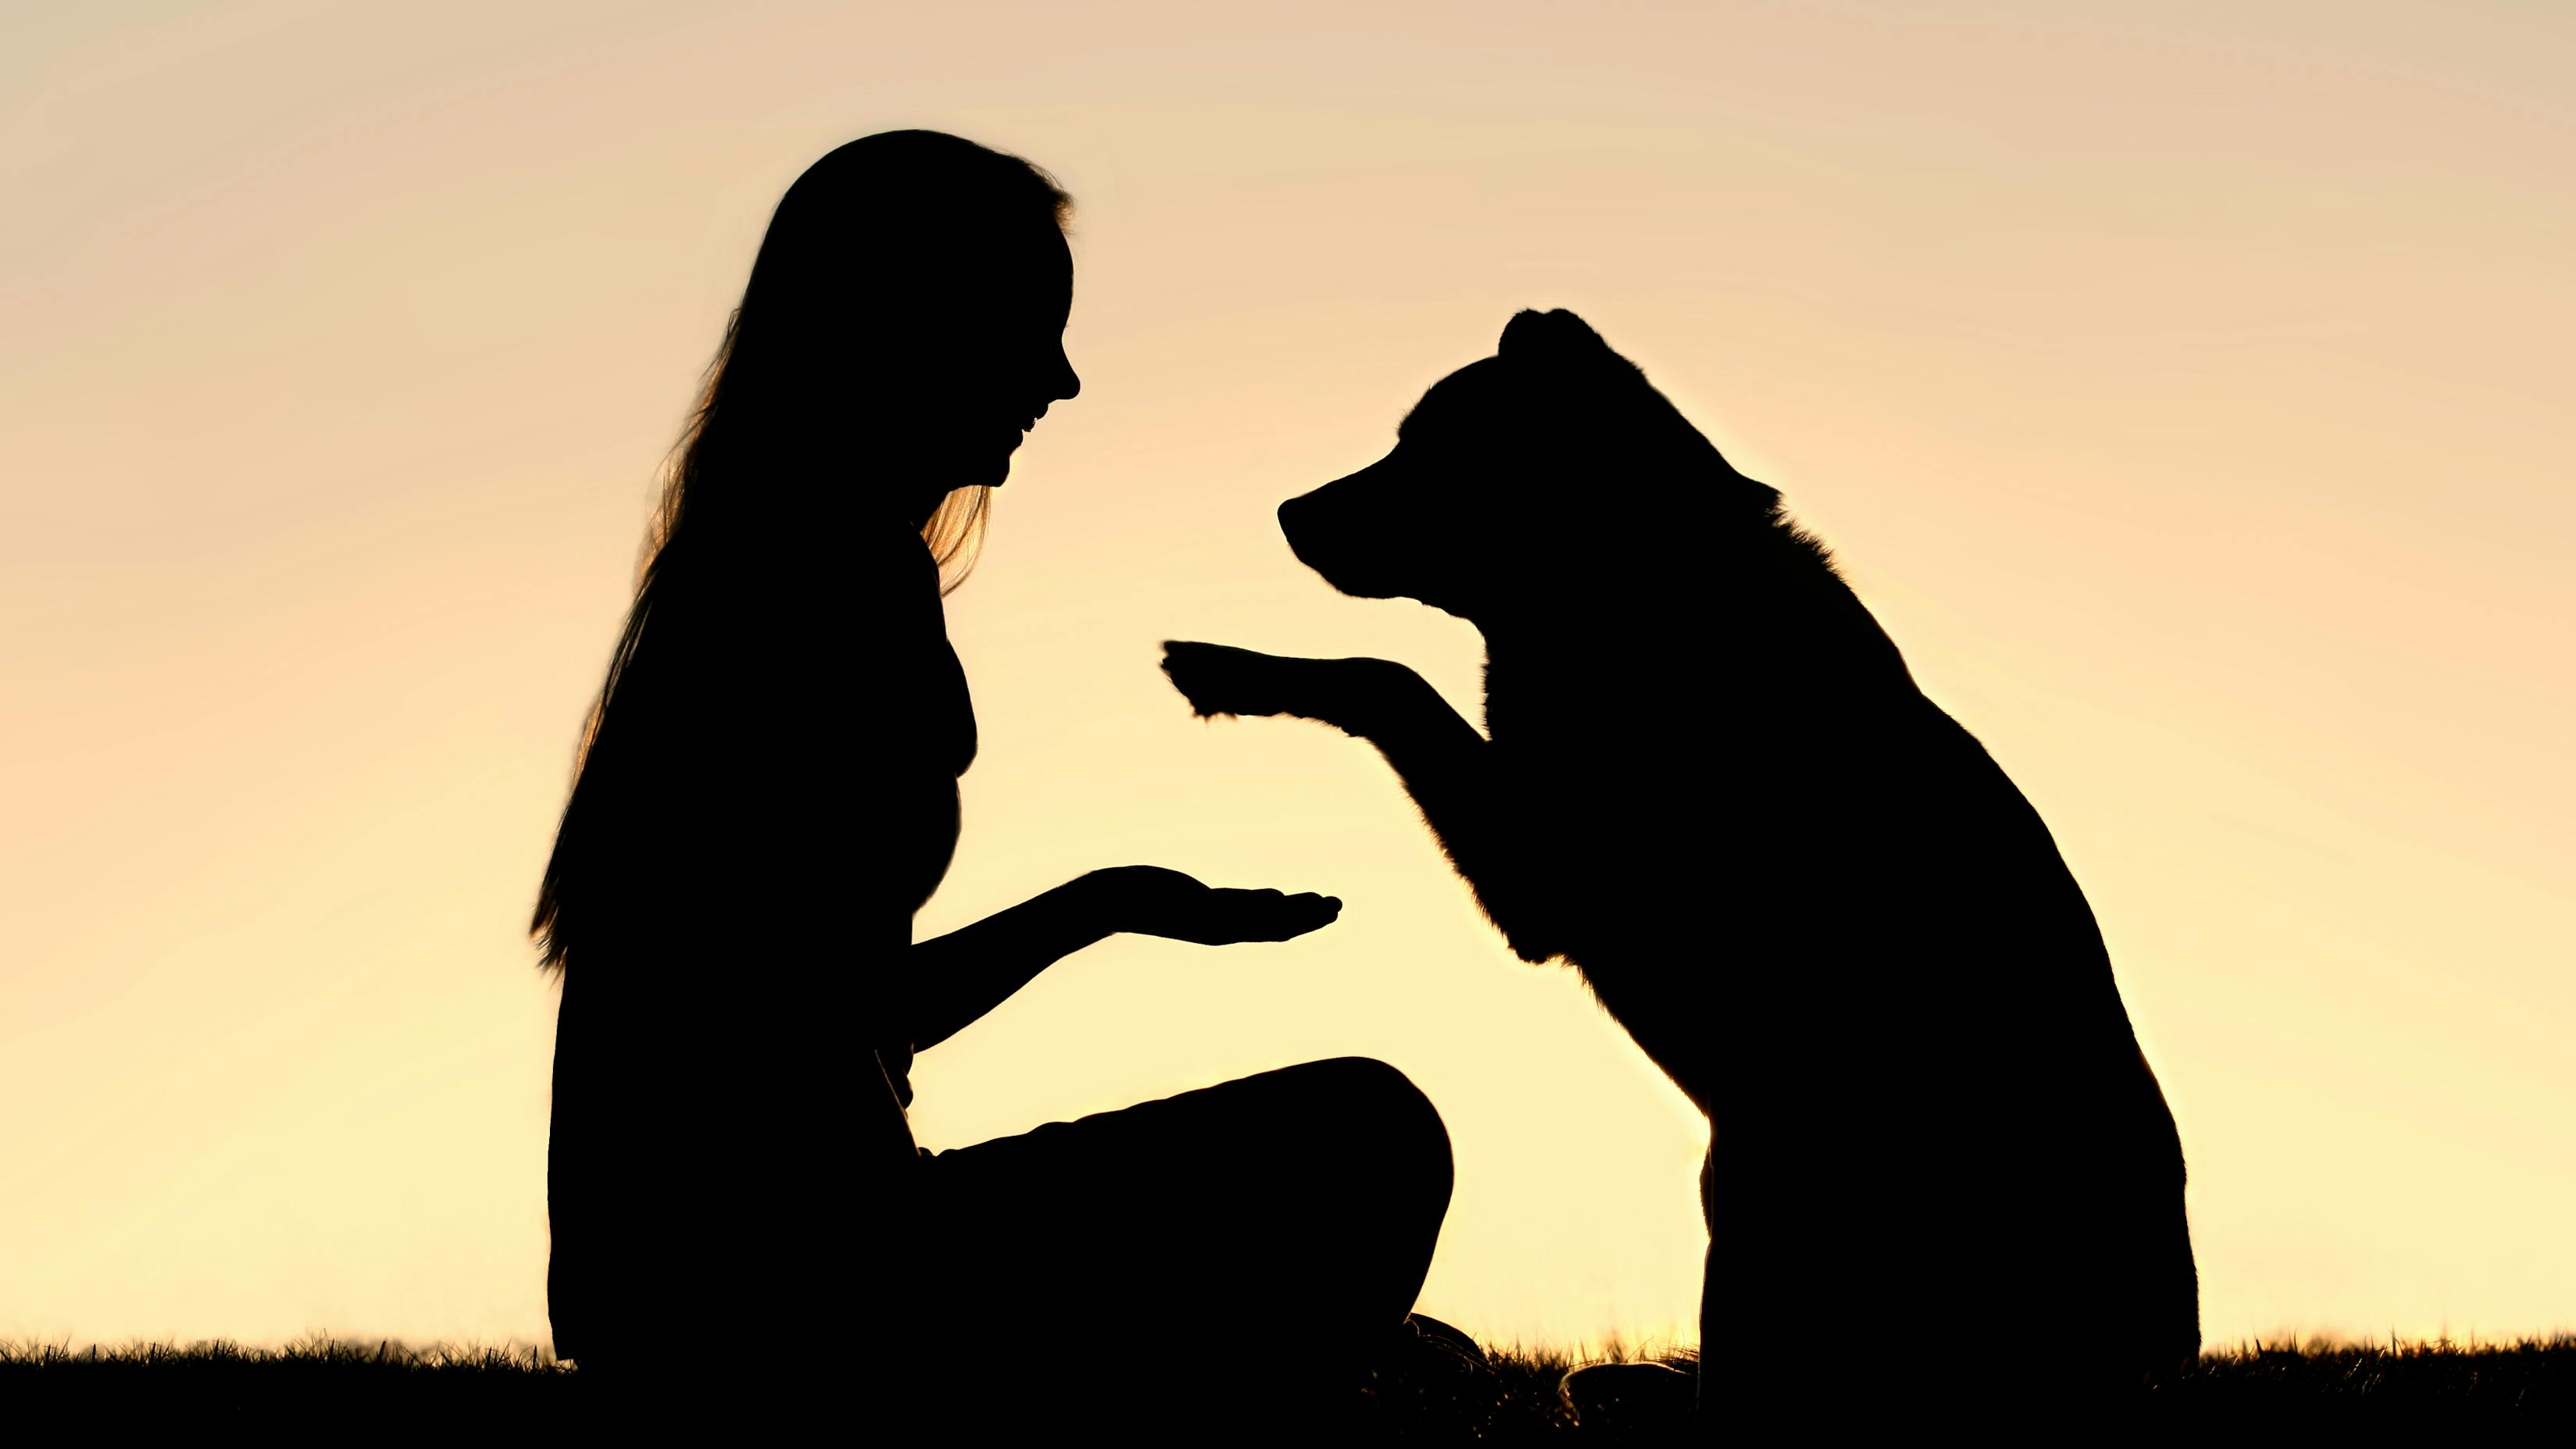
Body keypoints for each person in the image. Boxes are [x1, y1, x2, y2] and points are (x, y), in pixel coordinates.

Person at [529, 130, 1457, 1428]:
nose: (1064, 379)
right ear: (912, 324)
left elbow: (824, 1003)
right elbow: (792, 1015)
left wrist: (1103, 903)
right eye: (1034, 326)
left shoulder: (761, 574)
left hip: (713, 1297)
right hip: (799, 1297)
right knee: (1368, 1137)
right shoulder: (821, 589)